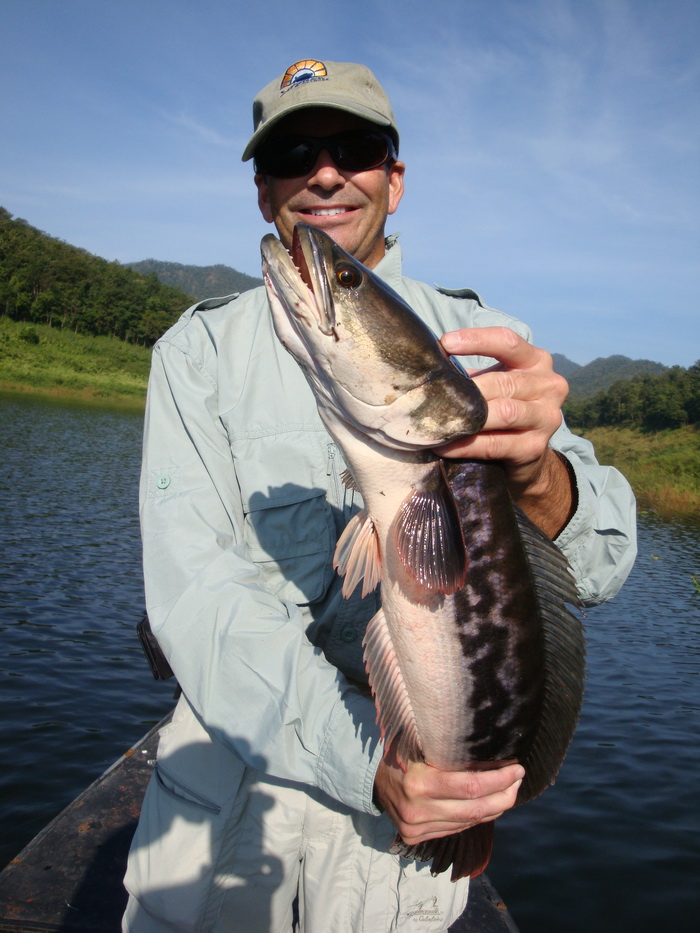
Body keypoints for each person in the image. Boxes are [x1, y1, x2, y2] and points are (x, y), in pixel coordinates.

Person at [122, 59, 636, 932]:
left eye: (355, 148)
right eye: (291, 152)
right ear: (262, 190)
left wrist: (538, 471)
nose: (324, 172)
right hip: (230, 770)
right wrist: (363, 761)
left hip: (415, 810)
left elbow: (606, 562)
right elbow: (198, 599)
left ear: (394, 181)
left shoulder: (489, 350)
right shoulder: (195, 354)